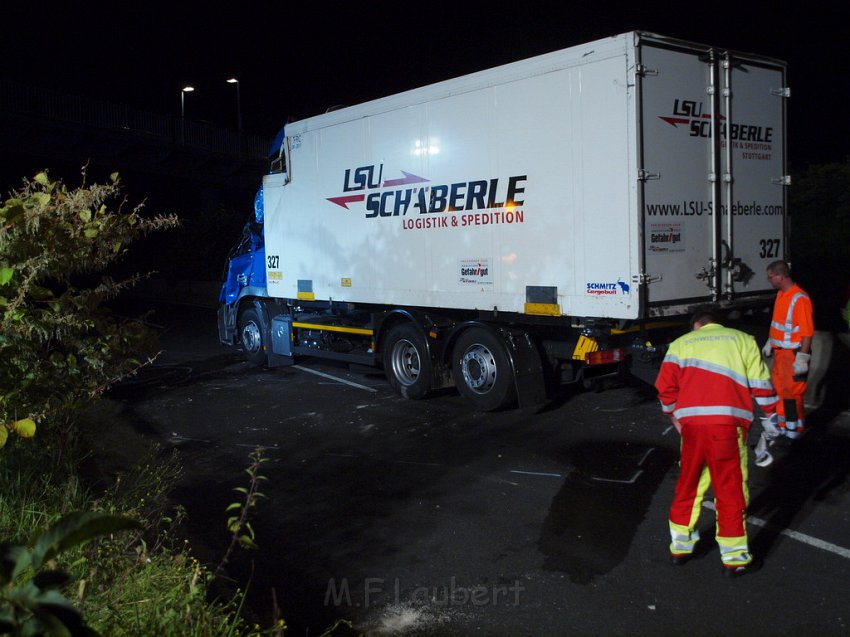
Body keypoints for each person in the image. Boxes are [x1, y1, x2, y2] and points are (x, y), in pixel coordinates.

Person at [655, 308, 779, 577]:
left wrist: (676, 418)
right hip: (726, 429)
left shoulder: (680, 344)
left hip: (692, 430)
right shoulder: (742, 339)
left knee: (689, 486)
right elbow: (761, 382)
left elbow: (665, 390)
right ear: (715, 324)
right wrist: (771, 416)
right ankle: (734, 558)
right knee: (729, 489)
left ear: (695, 326)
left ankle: (680, 548)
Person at [761, 260, 814, 440]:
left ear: (780, 276)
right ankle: (784, 424)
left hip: (793, 353)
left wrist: (802, 358)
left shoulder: (800, 299)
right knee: (780, 389)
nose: (769, 280)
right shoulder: (781, 295)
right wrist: (770, 341)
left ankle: (795, 428)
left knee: (792, 392)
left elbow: (807, 332)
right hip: (780, 353)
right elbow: (779, 323)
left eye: (771, 277)